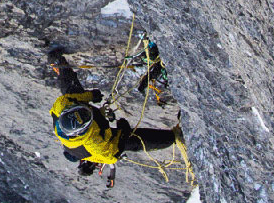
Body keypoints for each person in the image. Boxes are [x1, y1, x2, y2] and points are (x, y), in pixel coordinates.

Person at [47, 47, 179, 179]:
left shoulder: (61, 107)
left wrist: (90, 96)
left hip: (85, 121)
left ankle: (59, 63)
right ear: (83, 130)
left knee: (70, 90)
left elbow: (72, 98)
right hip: (99, 138)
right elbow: (113, 155)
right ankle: (172, 137)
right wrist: (123, 131)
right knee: (133, 141)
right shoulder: (96, 144)